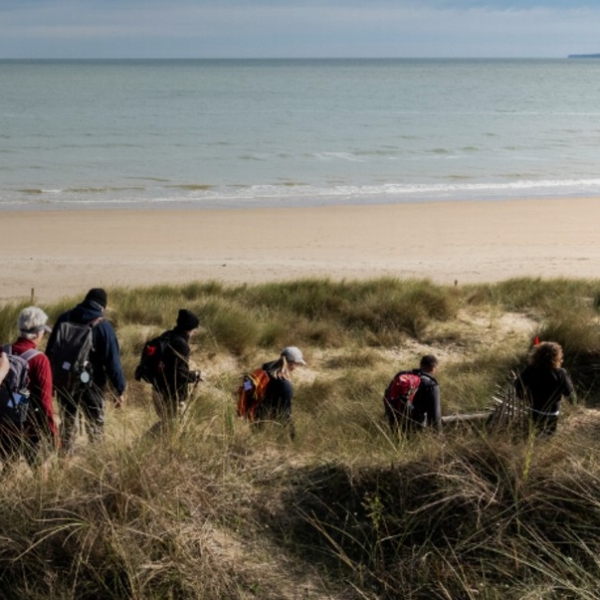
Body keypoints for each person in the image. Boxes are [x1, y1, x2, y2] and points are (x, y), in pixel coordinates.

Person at [45, 288, 126, 454]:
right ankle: (95, 463)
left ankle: (64, 462)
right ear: (102, 306)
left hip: (64, 381)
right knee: (95, 426)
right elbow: (113, 362)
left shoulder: (64, 318)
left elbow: (51, 353)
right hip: (92, 384)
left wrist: (50, 382)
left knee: (68, 424)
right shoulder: (104, 326)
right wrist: (120, 389)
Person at [0, 307, 59, 473]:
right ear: (38, 333)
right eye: (43, 332)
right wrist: (53, 433)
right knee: (42, 472)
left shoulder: (2, 351)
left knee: (8, 469)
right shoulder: (40, 360)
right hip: (29, 428)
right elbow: (45, 402)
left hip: (3, 423)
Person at [148, 309, 202, 432]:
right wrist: (196, 375)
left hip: (157, 390)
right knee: (175, 427)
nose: (194, 332)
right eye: (194, 329)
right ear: (189, 328)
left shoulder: (166, 336)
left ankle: (146, 445)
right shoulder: (182, 345)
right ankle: (141, 443)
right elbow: (179, 374)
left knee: (167, 425)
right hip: (172, 396)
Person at [515, 341, 575, 436]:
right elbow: (569, 393)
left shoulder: (530, 370)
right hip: (552, 412)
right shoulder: (561, 373)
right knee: (548, 436)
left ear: (536, 355)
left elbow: (518, 385)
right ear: (557, 356)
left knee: (533, 434)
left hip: (535, 410)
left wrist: (523, 398)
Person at [255, 346, 307, 440]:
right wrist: (293, 435)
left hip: (255, 417)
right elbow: (286, 412)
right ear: (291, 362)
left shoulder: (265, 370)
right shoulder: (284, 384)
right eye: (297, 364)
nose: (297, 367)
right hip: (270, 424)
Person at [385, 355, 442, 434]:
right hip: (415, 429)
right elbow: (435, 416)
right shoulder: (431, 385)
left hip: (395, 423)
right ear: (433, 368)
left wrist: (390, 416)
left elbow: (387, 396)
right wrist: (439, 437)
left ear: (421, 365)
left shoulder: (401, 376)